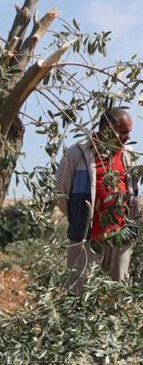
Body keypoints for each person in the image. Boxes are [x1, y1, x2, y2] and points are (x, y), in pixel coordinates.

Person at [55, 107, 138, 293]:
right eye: (123, 131)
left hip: (120, 238)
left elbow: (132, 195)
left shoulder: (127, 155)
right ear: (107, 129)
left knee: (118, 294)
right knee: (79, 295)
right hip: (86, 239)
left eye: (129, 131)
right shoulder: (77, 154)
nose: (128, 136)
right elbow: (61, 193)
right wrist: (79, 219)